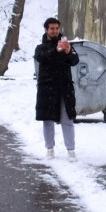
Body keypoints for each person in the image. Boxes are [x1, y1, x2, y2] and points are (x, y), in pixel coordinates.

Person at [35, 17, 78, 161]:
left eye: (56, 28)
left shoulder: (67, 44)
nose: (54, 31)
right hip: (47, 88)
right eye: (51, 29)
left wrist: (68, 52)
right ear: (46, 30)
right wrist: (56, 50)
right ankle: (49, 148)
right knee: (47, 120)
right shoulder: (41, 47)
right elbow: (43, 58)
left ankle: (71, 150)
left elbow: (75, 61)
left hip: (64, 87)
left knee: (67, 118)